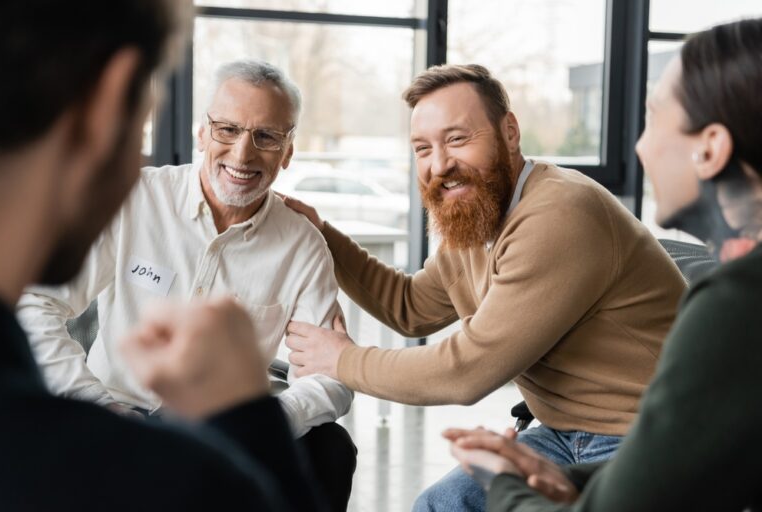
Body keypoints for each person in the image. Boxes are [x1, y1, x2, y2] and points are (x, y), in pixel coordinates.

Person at [280, 63, 687, 511]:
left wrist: (341, 360)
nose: (440, 164)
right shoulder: (480, 217)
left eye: (457, 139)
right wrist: (323, 235)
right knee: (439, 506)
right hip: (561, 436)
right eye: (422, 148)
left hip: (648, 437)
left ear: (509, 132)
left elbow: (467, 371)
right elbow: (410, 306)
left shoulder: (559, 215)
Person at [0, 0, 328, 510]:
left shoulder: (303, 242)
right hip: (114, 411)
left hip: (216, 428)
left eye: (265, 137)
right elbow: (40, 305)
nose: (242, 154)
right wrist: (99, 405)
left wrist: (254, 413)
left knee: (331, 448)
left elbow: (330, 373)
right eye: (227, 130)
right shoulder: (139, 199)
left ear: (288, 150)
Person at [446, 17, 762, 512]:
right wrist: (571, 479)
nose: (639, 146)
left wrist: (502, 479)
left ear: (711, 148)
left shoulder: (737, 303)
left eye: (653, 119)